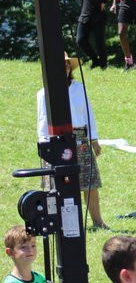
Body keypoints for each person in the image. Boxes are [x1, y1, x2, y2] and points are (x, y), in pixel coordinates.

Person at [37, 54, 108, 229]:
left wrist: (94, 140)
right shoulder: (44, 93)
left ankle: (98, 222)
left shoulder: (79, 88)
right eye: (62, 66)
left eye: (68, 66)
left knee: (89, 183)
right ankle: (58, 223)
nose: (66, 69)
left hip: (80, 138)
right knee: (56, 185)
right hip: (55, 140)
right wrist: (45, 149)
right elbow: (42, 121)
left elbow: (88, 113)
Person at [74, 0, 118, 69]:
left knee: (99, 42)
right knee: (80, 40)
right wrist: (84, 2)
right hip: (84, 15)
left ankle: (103, 65)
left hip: (98, 16)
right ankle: (95, 60)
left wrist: (104, 0)